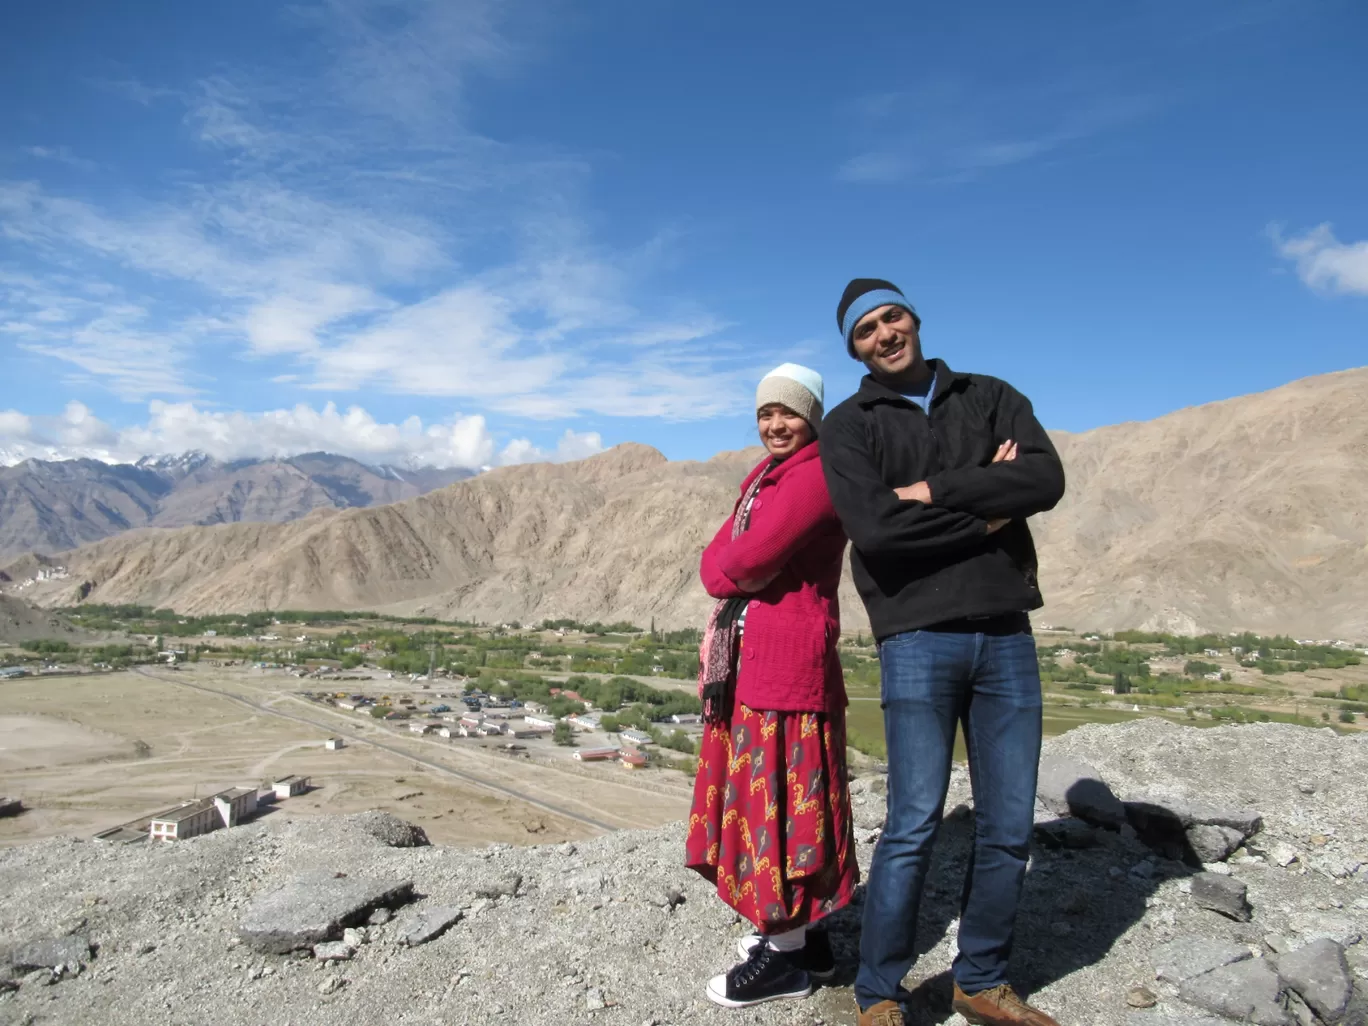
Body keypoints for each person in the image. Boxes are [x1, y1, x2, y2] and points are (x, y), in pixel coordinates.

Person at [819, 279, 1067, 1026]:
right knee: (913, 821)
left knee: (1008, 822)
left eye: (891, 316)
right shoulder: (848, 425)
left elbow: (1045, 478)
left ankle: (981, 979)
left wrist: (933, 489)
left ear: (914, 319)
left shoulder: (991, 395)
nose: (883, 333)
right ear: (853, 348)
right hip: (917, 638)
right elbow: (880, 532)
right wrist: (990, 510)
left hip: (1004, 634)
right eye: (865, 330)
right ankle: (879, 994)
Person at [685, 362, 858, 1009]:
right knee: (775, 802)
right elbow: (725, 558)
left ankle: (786, 959)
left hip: (787, 668)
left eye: (787, 412)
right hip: (762, 664)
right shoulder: (767, 476)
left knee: (779, 808)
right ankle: (804, 940)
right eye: (765, 413)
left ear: (811, 415)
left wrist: (726, 560)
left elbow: (741, 562)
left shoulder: (812, 476)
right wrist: (726, 560)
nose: (775, 424)